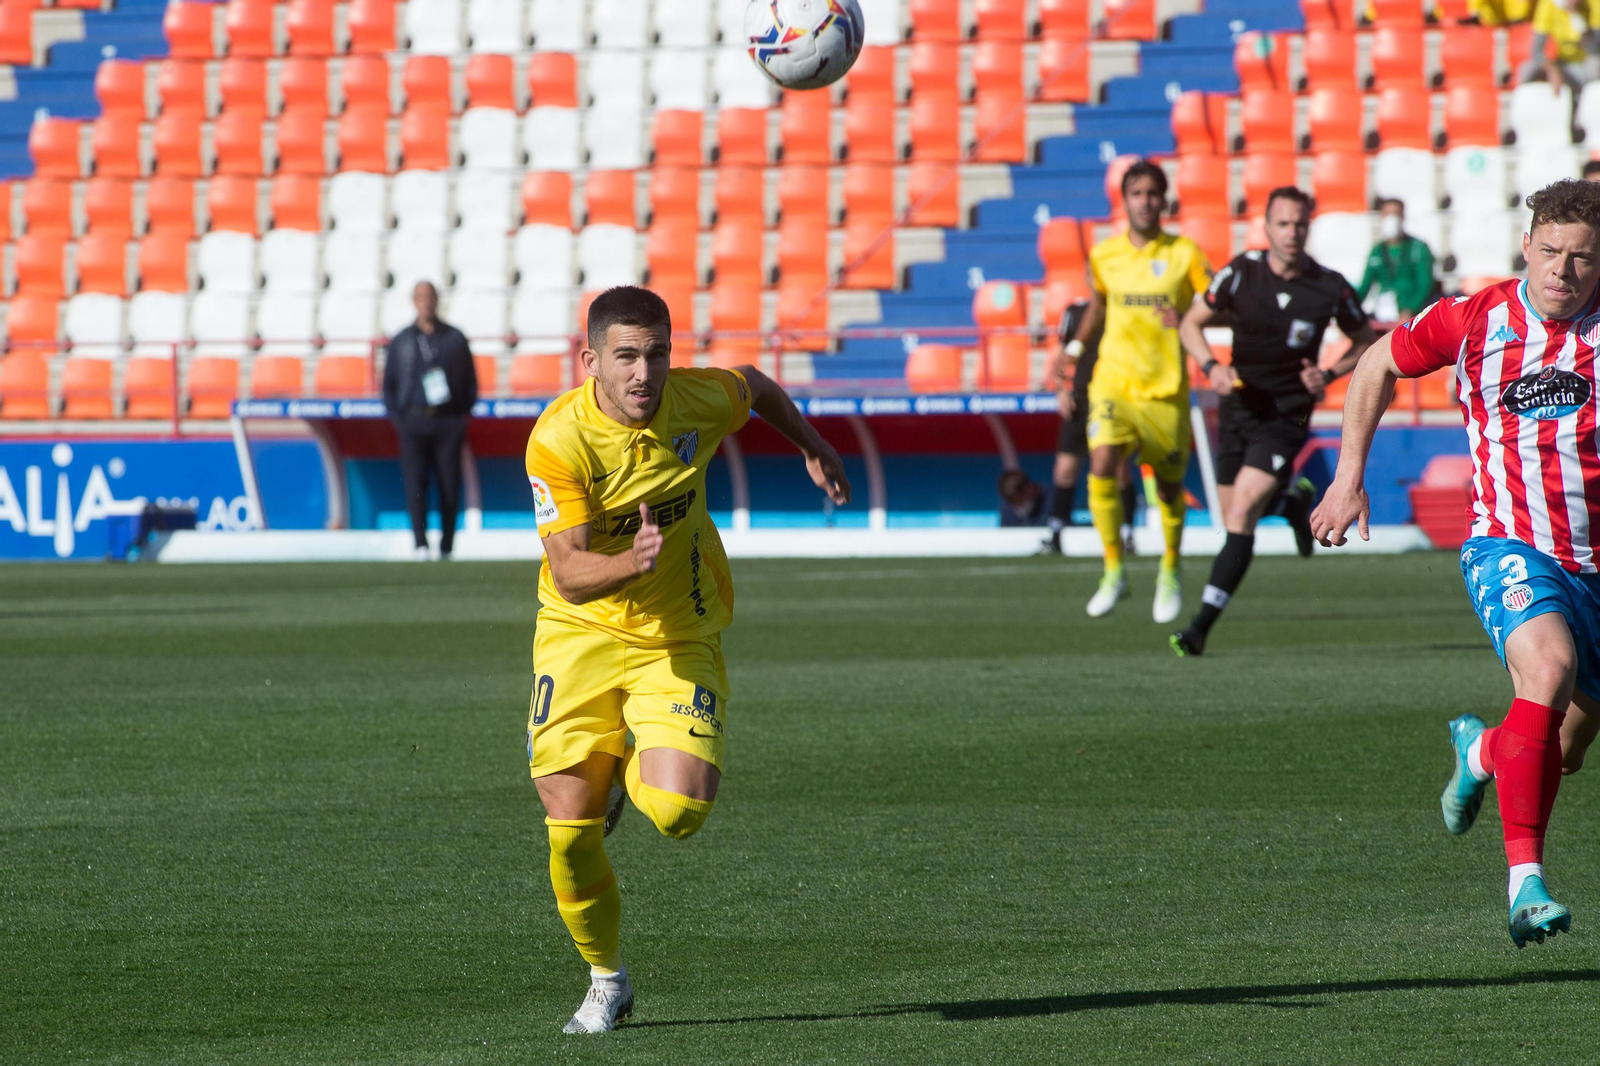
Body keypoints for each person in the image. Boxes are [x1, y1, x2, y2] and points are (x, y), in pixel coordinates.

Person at [523, 286, 851, 1032]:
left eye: (658, 353)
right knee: (568, 831)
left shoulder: (698, 400)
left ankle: (623, 769)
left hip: (678, 630)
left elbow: (758, 388)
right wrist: (629, 563)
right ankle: (607, 979)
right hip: (581, 634)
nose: (645, 373)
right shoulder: (558, 441)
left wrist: (812, 444)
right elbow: (570, 572)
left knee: (677, 813)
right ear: (592, 361)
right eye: (627, 357)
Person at [1312, 179, 1600, 948]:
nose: (1563, 271)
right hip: (1512, 544)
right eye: (1550, 253)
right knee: (1547, 669)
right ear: (1527, 244)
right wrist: (1348, 480)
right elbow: (1374, 364)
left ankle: (1478, 751)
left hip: (1597, 565)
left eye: (1582, 259)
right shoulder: (1473, 320)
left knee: (1561, 753)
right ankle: (1525, 884)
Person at [1169, 187, 1378, 657]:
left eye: (1299, 225)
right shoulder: (1241, 272)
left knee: (1240, 513)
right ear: (1266, 228)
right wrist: (1211, 366)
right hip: (1239, 406)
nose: (1291, 233)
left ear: (1308, 228)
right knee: (1232, 514)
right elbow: (1189, 323)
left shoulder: (1328, 286)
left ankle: (1201, 626)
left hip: (1287, 412)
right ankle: (1290, 504)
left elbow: (1365, 340)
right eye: (1283, 224)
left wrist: (1326, 372)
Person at [1064, 160, 1211, 621]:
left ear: (1163, 200)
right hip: (1114, 381)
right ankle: (1113, 571)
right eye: (1137, 193)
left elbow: (1219, 306)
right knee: (1103, 459)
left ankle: (1170, 568)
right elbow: (1099, 305)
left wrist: (1189, 319)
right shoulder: (1104, 255)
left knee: (1168, 489)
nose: (1145, 201)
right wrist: (1072, 352)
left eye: (1153, 193)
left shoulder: (1186, 253)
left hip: (1165, 389)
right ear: (1124, 200)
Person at [382, 281, 478, 560]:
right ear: (414, 301)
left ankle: (447, 546)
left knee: (449, 485)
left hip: (447, 421)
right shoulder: (402, 340)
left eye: (430, 296)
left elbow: (471, 382)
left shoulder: (455, 338)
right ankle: (420, 544)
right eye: (420, 297)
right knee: (415, 484)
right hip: (413, 420)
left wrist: (461, 417)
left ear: (437, 300)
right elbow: (388, 383)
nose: (426, 302)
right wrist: (398, 418)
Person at [1041, 299, 1139, 554]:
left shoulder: (1123, 308)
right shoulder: (1074, 312)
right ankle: (1055, 533)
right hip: (1080, 401)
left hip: (1112, 400)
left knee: (1117, 469)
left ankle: (1127, 533)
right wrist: (1061, 391)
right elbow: (1062, 355)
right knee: (1064, 470)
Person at [1355, 200, 1436, 325]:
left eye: (1396, 214)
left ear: (1403, 217)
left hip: (1413, 315)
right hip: (1383, 312)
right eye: (1387, 214)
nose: (1391, 218)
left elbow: (1425, 285)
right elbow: (1365, 285)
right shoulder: (1377, 250)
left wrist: (1409, 310)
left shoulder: (1419, 248)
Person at [1517, 0, 1600, 89]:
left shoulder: (1593, 3)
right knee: (1526, 69)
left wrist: (1576, 17)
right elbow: (1536, 50)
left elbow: (1593, 49)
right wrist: (1552, 70)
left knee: (1595, 66)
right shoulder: (1549, 4)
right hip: (1562, 62)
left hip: (1584, 62)